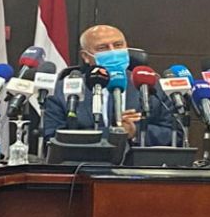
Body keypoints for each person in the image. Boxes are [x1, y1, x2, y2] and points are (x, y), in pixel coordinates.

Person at [43, 25, 176, 146]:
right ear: (86, 56)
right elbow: (52, 136)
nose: (113, 52)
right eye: (103, 48)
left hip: (140, 162)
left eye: (118, 45)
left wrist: (135, 131)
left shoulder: (151, 84)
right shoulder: (62, 90)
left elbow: (175, 135)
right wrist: (113, 133)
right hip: (84, 162)